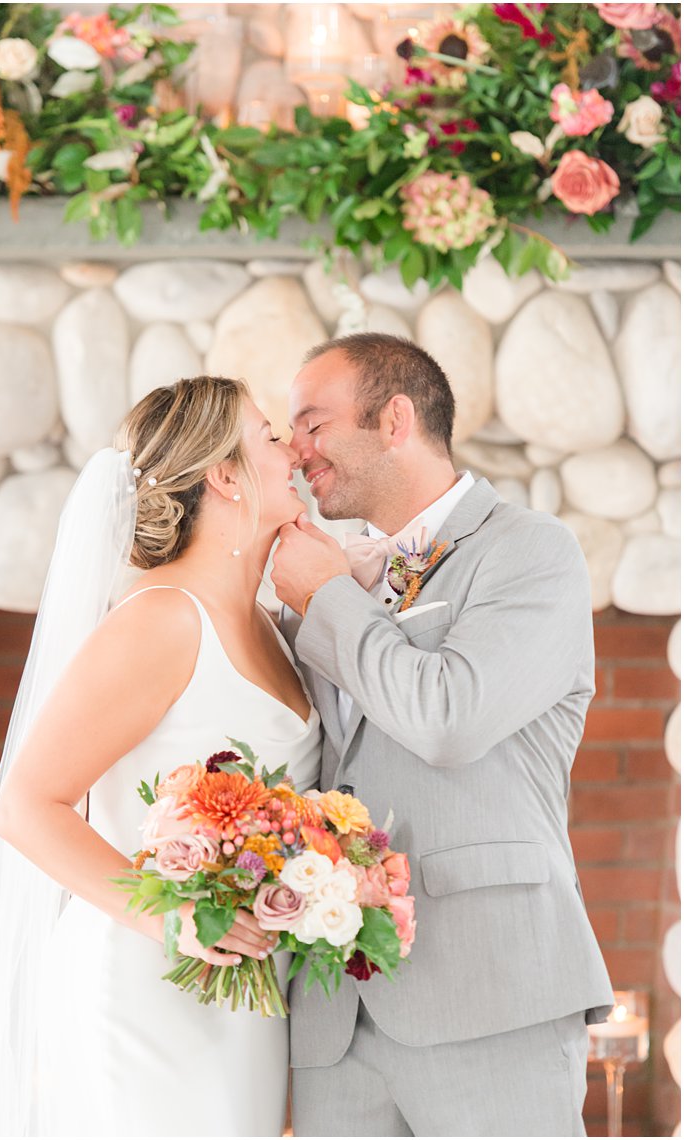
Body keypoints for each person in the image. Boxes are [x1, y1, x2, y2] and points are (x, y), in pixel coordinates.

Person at [0, 377, 321, 1136]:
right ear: (226, 474)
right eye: (270, 435)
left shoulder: (272, 625)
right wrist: (174, 916)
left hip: (243, 992)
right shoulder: (163, 620)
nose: (293, 450)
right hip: (143, 986)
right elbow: (25, 806)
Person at [271, 332, 612, 1136]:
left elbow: (449, 718)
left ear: (394, 419)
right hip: (332, 1009)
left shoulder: (530, 551)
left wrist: (328, 602)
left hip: (493, 990)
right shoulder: (329, 576)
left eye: (313, 424)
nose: (296, 450)